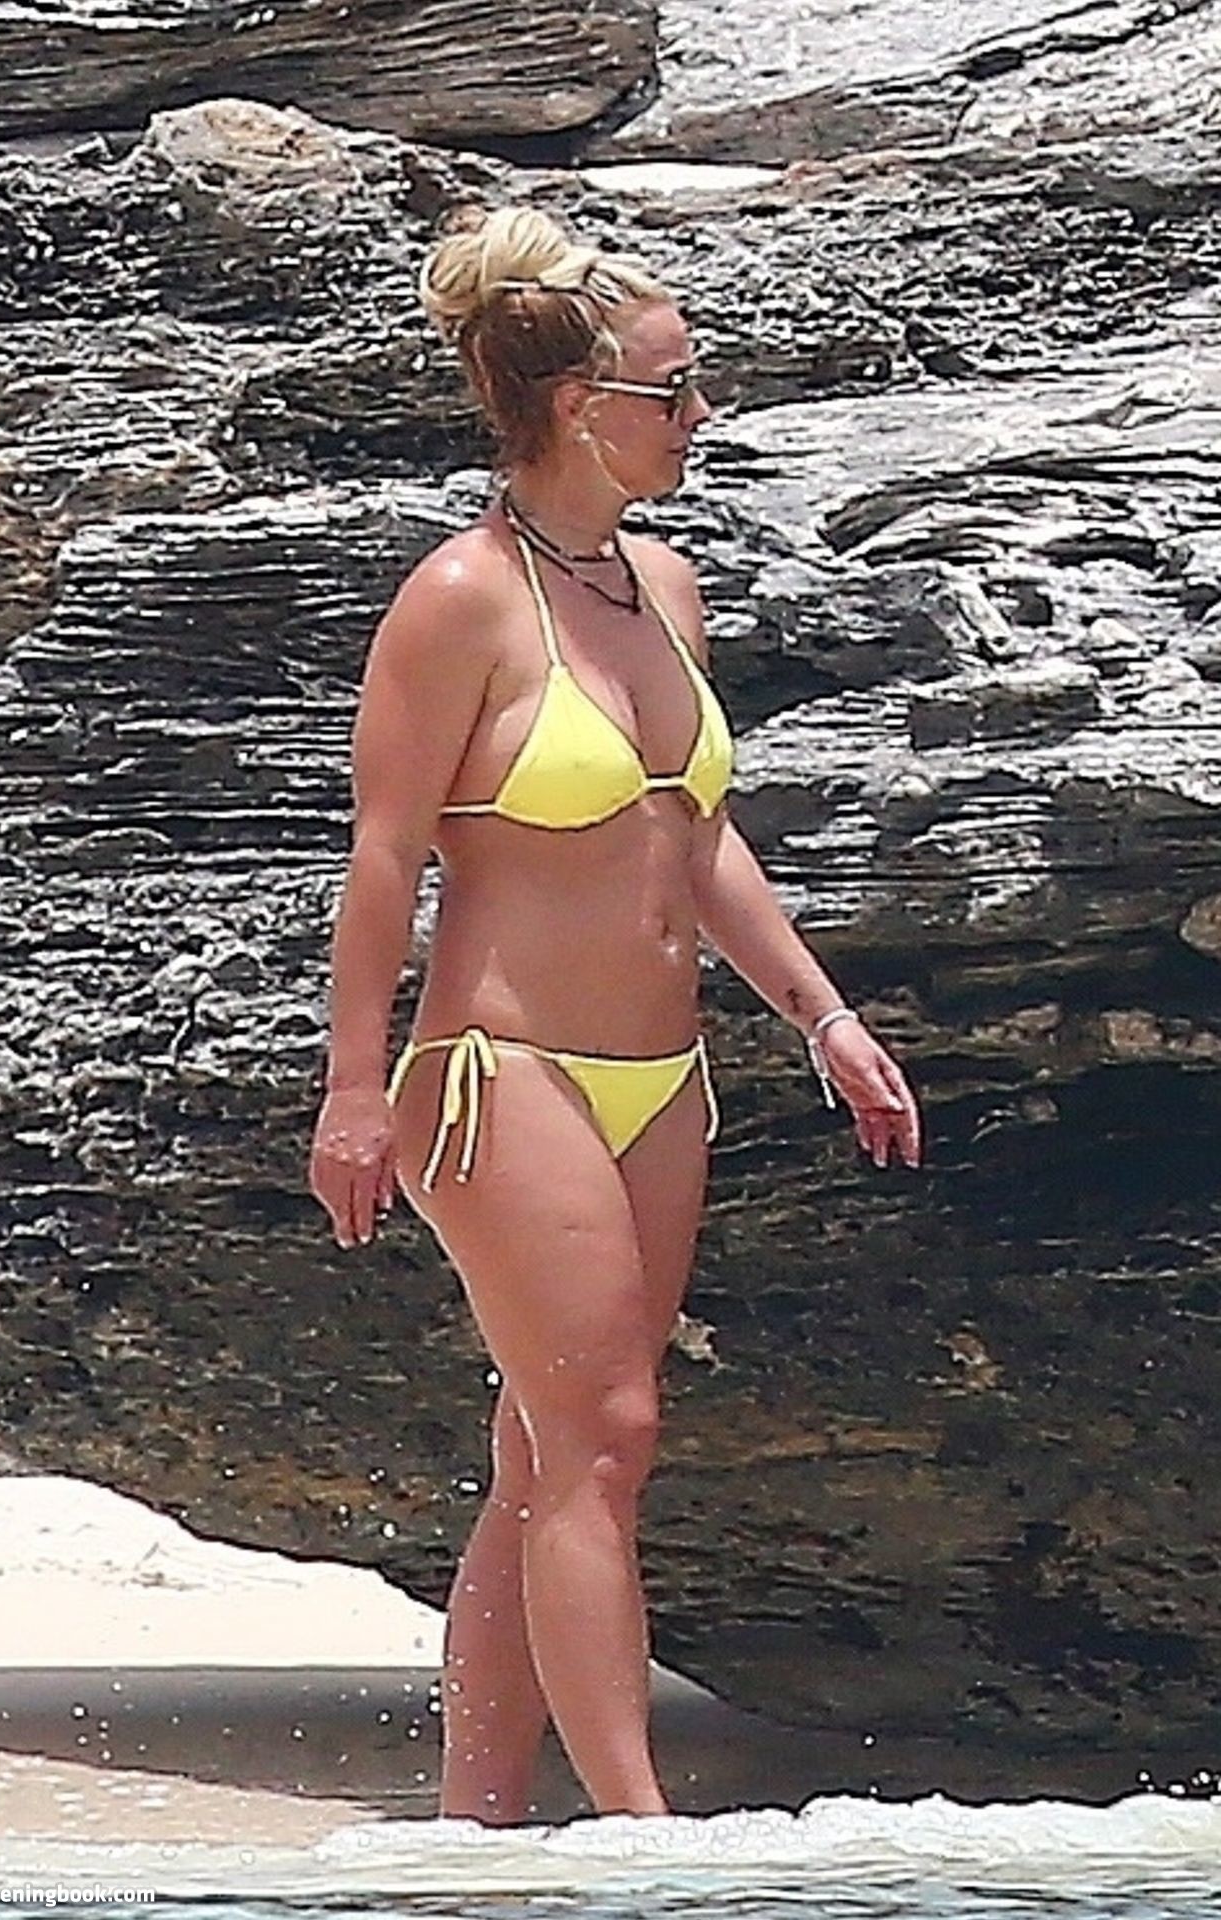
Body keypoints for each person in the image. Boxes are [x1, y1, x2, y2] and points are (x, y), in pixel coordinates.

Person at [308, 202, 924, 1827]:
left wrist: (821, 1015)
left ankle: (478, 1830)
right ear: (583, 405)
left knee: (548, 1451)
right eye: (677, 387)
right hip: (499, 1070)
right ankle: (649, 1841)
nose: (700, 412)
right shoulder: (461, 598)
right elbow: (383, 858)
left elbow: (694, 839)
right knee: (606, 1436)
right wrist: (354, 1090)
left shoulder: (662, 585)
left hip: (665, 1078)